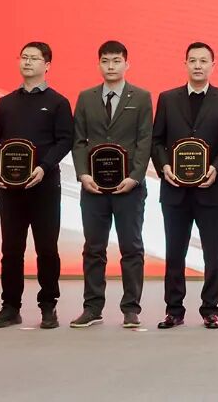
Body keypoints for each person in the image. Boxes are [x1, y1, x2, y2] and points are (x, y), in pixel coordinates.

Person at [0, 41, 73, 329]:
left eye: (34, 58)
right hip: (10, 189)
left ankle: (48, 305)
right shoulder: (5, 102)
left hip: (44, 188)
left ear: (47, 65)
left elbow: (65, 140)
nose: (27, 62)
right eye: (24, 57)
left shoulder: (58, 102)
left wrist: (43, 167)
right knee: (11, 249)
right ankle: (10, 306)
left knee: (46, 248)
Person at [151, 42, 218, 329]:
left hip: (210, 189)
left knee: (213, 254)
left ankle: (210, 309)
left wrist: (216, 169)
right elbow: (156, 140)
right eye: (193, 60)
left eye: (203, 60)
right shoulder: (167, 99)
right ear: (185, 64)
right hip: (174, 190)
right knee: (174, 252)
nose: (198, 65)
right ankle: (174, 310)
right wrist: (164, 167)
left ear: (213, 65)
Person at [69, 40, 153, 329]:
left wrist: (135, 177)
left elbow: (145, 140)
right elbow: (79, 141)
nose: (111, 66)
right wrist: (83, 174)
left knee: (131, 247)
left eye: (116, 61)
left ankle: (131, 309)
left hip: (129, 187)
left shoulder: (141, 97)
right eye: (105, 61)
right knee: (93, 248)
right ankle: (92, 308)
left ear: (127, 64)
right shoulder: (86, 97)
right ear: (99, 64)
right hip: (93, 188)